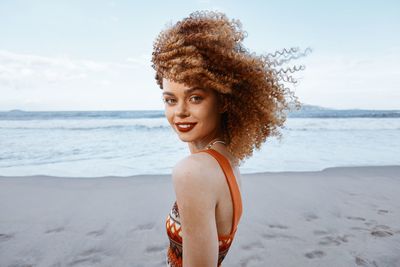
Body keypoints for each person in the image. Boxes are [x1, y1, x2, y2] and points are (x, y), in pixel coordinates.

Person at [151, 10, 306, 267]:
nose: (179, 112)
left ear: (222, 100)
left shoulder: (193, 172)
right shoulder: (226, 161)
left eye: (195, 97)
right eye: (170, 100)